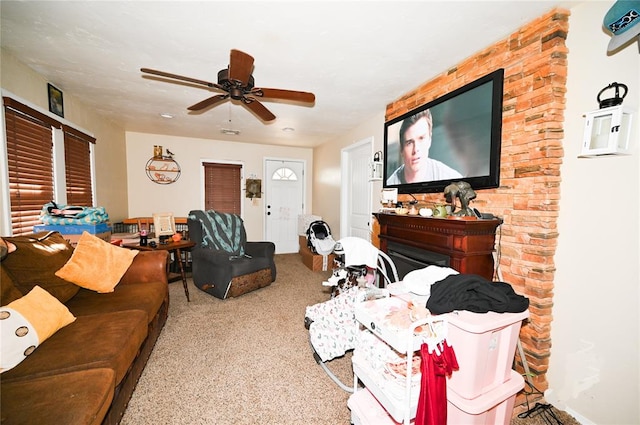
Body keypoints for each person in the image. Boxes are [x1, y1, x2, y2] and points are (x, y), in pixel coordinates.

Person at [387, 109, 462, 184]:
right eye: (409, 143)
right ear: (401, 149)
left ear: (429, 139)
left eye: (421, 138)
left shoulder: (451, 179)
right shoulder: (391, 184)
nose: (416, 149)